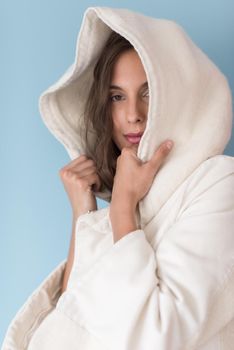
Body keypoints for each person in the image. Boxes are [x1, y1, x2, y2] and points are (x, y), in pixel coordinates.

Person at [2, 6, 234, 350]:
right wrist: (84, 212)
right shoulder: (128, 201)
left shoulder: (220, 184)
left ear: (180, 93)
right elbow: (70, 322)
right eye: (116, 97)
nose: (133, 116)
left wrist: (122, 208)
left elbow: (157, 336)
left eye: (148, 91)